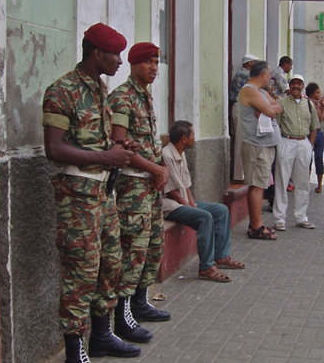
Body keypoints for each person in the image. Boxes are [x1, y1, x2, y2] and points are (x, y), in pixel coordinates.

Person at [42, 23, 141, 361]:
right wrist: (105, 156)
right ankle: (75, 350)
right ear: (97, 53)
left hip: (103, 196)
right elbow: (54, 149)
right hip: (77, 199)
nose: (119, 61)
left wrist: (118, 146)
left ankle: (102, 336)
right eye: (115, 54)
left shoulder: (99, 90)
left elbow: (95, 141)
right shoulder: (62, 91)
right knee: (80, 275)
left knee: (110, 266)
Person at [108, 42, 172, 345]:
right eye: (148, 62)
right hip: (132, 186)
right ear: (133, 65)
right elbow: (119, 146)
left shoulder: (144, 95)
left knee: (151, 246)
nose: (154, 68)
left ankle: (140, 302)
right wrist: (155, 168)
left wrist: (160, 169)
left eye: (157, 62)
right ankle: (122, 318)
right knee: (132, 250)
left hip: (149, 185)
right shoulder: (122, 98)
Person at [162, 120, 246, 282]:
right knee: (204, 217)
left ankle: (221, 256)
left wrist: (192, 204)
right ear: (184, 138)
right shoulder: (167, 155)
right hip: (169, 204)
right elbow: (172, 191)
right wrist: (190, 208)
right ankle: (206, 268)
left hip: (182, 201)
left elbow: (185, 185)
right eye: (193, 135)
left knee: (221, 210)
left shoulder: (181, 152)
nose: (195, 138)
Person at [239, 61, 282, 240]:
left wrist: (266, 109)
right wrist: (268, 110)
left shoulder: (262, 93)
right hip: (256, 146)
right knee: (257, 185)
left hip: (266, 145)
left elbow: (279, 107)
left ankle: (256, 224)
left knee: (261, 184)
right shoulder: (248, 90)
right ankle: (256, 226)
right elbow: (272, 112)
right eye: (269, 74)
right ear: (262, 74)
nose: (271, 78)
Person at [272, 74, 319, 231]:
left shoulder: (309, 105)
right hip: (286, 141)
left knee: (303, 181)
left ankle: (301, 216)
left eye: (299, 83)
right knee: (282, 180)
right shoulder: (281, 103)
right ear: (289, 86)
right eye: (293, 83)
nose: (296, 86)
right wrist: (279, 145)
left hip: (303, 142)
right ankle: (279, 218)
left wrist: (309, 145)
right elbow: (275, 125)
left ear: (303, 86)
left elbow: (314, 127)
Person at [229, 54, 259, 182]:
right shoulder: (244, 74)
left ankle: (242, 173)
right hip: (241, 108)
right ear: (250, 64)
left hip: (244, 109)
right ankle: (238, 175)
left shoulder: (245, 75)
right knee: (241, 141)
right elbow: (265, 83)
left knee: (245, 141)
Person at [306, 82, 324, 193]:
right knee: (318, 159)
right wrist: (323, 108)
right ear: (312, 94)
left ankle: (308, 184)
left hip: (310, 133)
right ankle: (319, 185)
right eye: (317, 93)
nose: (319, 95)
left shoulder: (306, 103)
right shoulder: (313, 104)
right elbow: (320, 119)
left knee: (308, 159)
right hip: (316, 133)